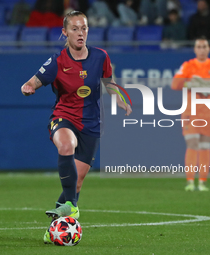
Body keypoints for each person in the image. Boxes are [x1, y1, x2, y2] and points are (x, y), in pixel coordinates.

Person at [21, 11, 132, 243]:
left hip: (91, 124)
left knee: (77, 182)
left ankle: (55, 227)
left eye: (84, 28)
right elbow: (34, 81)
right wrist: (29, 87)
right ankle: (72, 207)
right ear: (65, 32)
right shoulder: (57, 61)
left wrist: (120, 99)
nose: (80, 33)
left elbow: (109, 82)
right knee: (66, 145)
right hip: (64, 117)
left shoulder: (101, 57)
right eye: (75, 29)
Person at [171, 37, 210, 191]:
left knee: (205, 146)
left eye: (204, 46)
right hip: (191, 111)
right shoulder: (188, 65)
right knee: (192, 143)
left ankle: (202, 182)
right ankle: (190, 181)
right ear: (195, 49)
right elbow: (175, 84)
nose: (202, 49)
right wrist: (189, 84)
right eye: (199, 46)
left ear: (209, 49)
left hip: (209, 112)